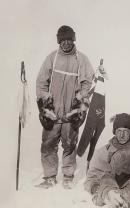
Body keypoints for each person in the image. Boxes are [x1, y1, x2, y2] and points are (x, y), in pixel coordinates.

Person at [36, 25, 94, 189]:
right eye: (63, 40)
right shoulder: (52, 58)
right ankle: (49, 177)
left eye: (69, 40)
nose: (66, 43)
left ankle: (68, 177)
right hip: (52, 112)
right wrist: (45, 101)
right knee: (48, 144)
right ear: (59, 41)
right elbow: (41, 83)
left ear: (73, 40)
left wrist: (80, 101)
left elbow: (87, 83)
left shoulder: (81, 59)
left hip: (70, 112)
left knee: (69, 144)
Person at [84, 113, 130, 207]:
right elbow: (92, 176)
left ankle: (119, 199)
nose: (122, 135)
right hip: (110, 186)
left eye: (126, 131)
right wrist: (99, 189)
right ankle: (111, 197)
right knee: (105, 177)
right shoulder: (105, 150)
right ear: (114, 131)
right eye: (119, 130)